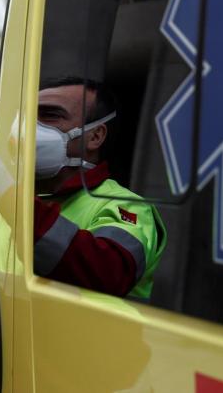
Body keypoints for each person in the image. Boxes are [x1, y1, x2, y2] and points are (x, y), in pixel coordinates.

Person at [33, 77, 166, 298]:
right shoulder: (14, 195)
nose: (30, 128)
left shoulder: (125, 205)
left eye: (50, 115)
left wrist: (24, 210)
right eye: (28, 116)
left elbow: (110, 272)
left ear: (95, 136)